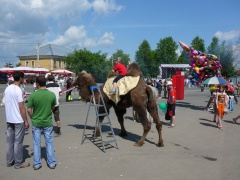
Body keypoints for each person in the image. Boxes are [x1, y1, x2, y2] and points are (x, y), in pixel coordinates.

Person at [27, 76, 57, 170]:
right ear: (46, 83)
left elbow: (29, 109)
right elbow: (53, 107)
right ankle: (51, 163)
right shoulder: (51, 95)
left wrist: (32, 117)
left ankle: (37, 164)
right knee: (49, 142)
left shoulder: (33, 95)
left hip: (36, 121)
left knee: (36, 144)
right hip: (47, 121)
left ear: (37, 84)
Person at [4, 71, 30, 169]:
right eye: (23, 78)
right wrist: (26, 121)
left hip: (9, 118)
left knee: (10, 141)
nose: (23, 80)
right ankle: (18, 163)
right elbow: (21, 107)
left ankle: (9, 161)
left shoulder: (7, 88)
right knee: (18, 142)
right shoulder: (18, 90)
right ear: (20, 78)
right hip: (18, 119)